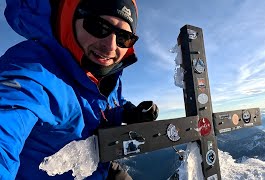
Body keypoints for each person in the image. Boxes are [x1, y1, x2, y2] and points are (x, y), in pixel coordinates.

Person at [0, 0, 159, 179]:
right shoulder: (31, 70)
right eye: (99, 27)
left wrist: (129, 111)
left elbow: (104, 103)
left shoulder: (105, 76)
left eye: (124, 38)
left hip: (100, 167)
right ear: (71, 18)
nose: (111, 45)